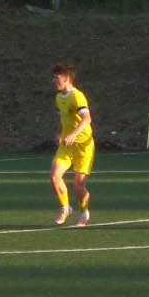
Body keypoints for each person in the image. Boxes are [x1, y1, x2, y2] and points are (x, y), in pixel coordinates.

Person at [51, 63, 94, 227]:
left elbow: (87, 119)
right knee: (54, 176)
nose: (54, 80)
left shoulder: (77, 96)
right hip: (67, 145)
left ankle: (84, 212)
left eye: (57, 78)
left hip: (83, 146)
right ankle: (65, 207)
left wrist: (74, 134)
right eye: (53, 77)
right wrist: (59, 133)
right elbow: (64, 119)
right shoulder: (58, 98)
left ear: (67, 78)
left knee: (78, 184)